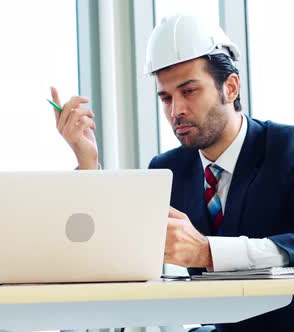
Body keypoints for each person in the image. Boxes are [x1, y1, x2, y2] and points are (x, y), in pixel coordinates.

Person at [51, 14, 294, 332]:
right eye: (165, 97)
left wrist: (208, 252)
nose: (175, 110)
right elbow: (112, 252)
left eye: (189, 91)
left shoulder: (287, 149)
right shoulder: (168, 171)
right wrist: (87, 161)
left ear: (230, 87)